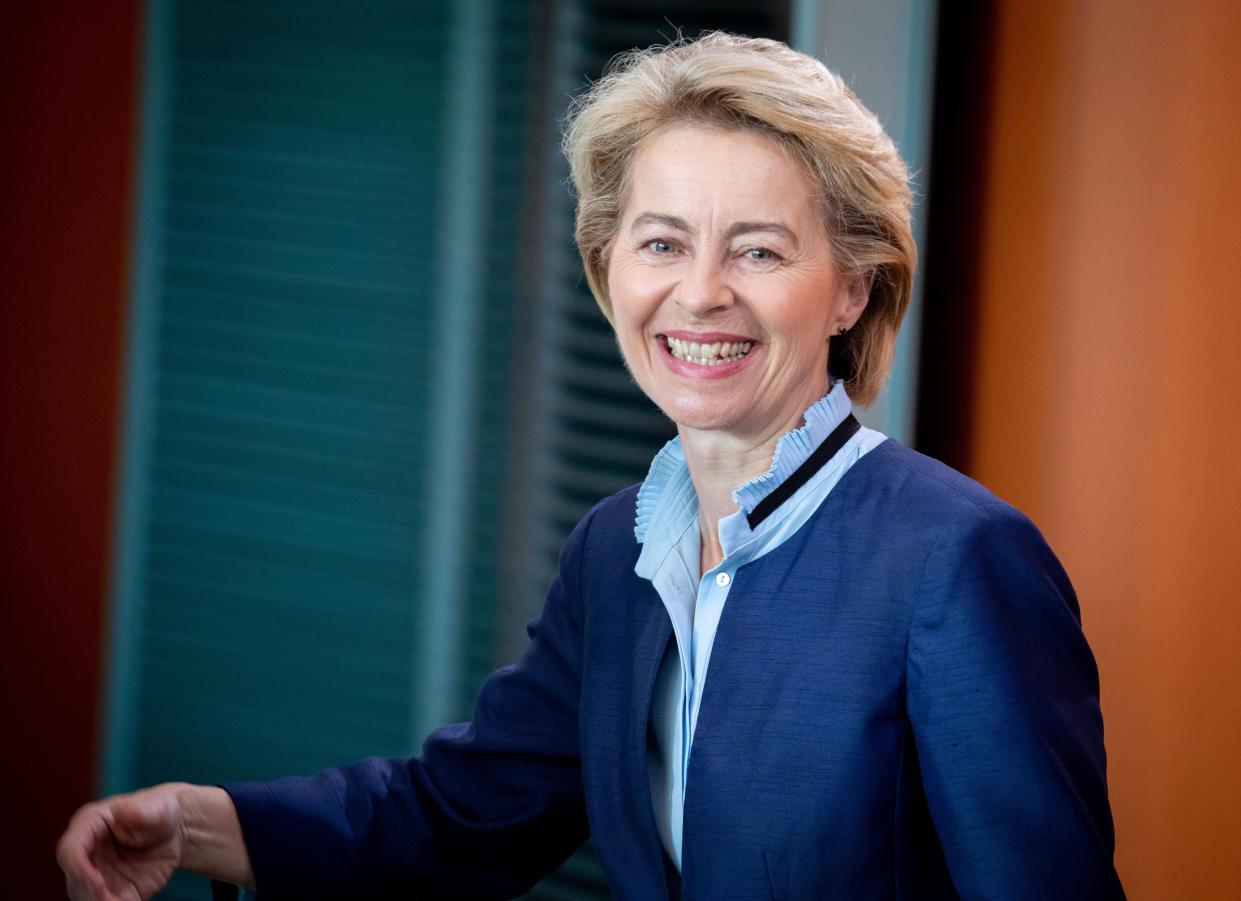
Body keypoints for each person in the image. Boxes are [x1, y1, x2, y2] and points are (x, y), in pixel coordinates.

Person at [58, 32, 1125, 900]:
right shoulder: (619, 550)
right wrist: (198, 824)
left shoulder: (954, 560)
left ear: (850, 289)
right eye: (661, 242)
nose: (699, 293)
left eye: (756, 248)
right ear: (606, 266)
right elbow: (466, 816)